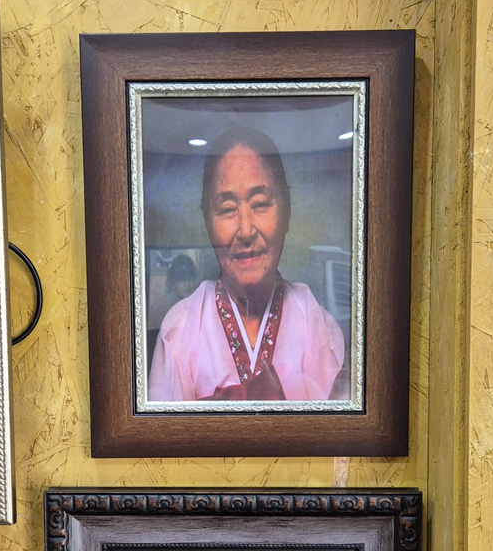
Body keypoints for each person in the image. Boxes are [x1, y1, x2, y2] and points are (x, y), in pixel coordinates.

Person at [148, 127, 347, 402]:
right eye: (227, 209)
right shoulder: (180, 330)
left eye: (260, 204)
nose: (245, 231)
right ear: (207, 222)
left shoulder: (318, 327)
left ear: (287, 211)